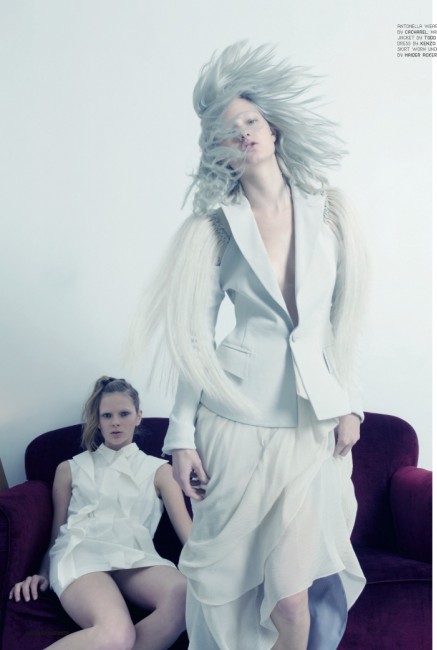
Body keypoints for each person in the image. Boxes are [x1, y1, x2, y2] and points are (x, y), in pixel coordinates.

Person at [140, 42, 368, 650]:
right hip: (236, 423)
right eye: (228, 129)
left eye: (251, 120)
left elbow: (341, 324)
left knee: (293, 603)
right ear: (217, 148)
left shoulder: (330, 213)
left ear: (273, 128)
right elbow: (194, 340)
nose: (243, 132)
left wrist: (350, 402)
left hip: (308, 428)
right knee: (235, 592)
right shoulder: (213, 228)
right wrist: (181, 437)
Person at [9, 376, 191, 650]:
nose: (115, 422)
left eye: (124, 414)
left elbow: (188, 534)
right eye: (107, 415)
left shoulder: (160, 470)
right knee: (116, 635)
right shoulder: (69, 468)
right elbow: (57, 533)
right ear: (98, 420)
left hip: (135, 557)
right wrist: (42, 572)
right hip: (81, 555)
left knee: (187, 594)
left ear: (138, 416)